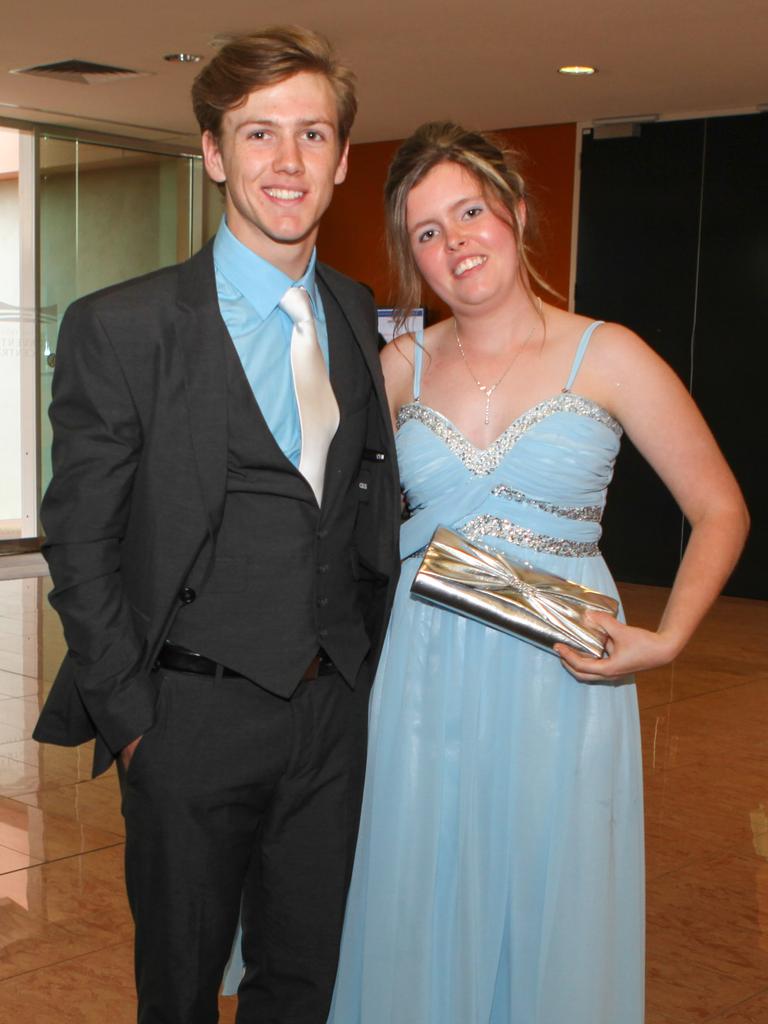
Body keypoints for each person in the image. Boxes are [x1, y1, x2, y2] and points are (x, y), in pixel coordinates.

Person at [327, 122, 749, 1024]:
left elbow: (721, 508)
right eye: (428, 233)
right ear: (413, 259)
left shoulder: (613, 354)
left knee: (545, 888)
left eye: (470, 211)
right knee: (418, 878)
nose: (455, 243)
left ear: (515, 213)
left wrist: (667, 639)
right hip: (419, 677)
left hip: (561, 676)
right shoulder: (396, 367)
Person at [32, 26, 400, 1024]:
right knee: (183, 988)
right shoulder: (127, 326)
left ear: (342, 158)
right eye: (259, 134)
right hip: (188, 717)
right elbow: (81, 539)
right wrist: (137, 721)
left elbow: (359, 496)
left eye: (313, 134)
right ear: (212, 153)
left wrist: (361, 664)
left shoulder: (353, 305)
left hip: (328, 714)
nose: (288, 163)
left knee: (299, 982)